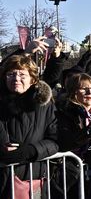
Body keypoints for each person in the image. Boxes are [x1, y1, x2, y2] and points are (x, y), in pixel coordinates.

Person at [0, 54, 58, 198]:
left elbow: (55, 140)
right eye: (11, 74)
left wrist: (31, 150)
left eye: (22, 74)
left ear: (33, 79)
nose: (16, 79)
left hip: (32, 180)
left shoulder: (45, 105)